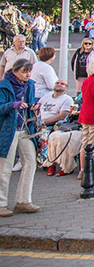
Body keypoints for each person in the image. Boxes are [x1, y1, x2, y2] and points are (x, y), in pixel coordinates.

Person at [0, 59, 39, 216]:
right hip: (8, 130)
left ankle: (23, 200)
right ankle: (1, 203)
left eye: (29, 71)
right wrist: (12, 105)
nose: (28, 75)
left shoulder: (29, 84)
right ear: (14, 71)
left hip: (25, 128)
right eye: (24, 72)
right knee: (5, 167)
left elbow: (30, 102)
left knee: (30, 162)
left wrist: (34, 106)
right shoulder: (4, 86)